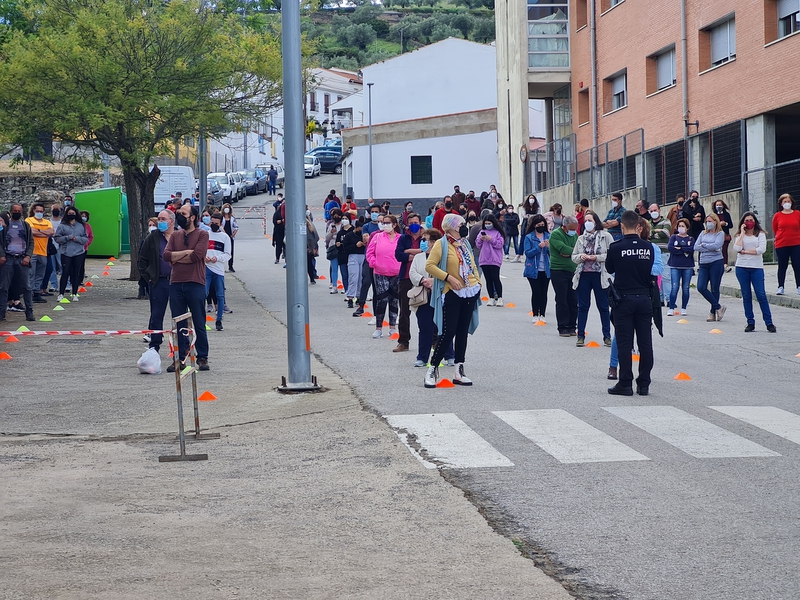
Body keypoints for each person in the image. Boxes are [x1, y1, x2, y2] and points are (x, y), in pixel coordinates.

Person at [424, 214, 481, 388]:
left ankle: (459, 370)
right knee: (449, 332)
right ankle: (432, 369)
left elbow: (472, 265)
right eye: (461, 224)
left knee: (463, 331)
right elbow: (430, 265)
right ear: (452, 227)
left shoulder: (465, 243)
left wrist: (477, 282)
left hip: (469, 290)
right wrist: (448, 278)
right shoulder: (441, 244)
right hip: (452, 292)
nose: (464, 227)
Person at [606, 210, 654, 396]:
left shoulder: (616, 247)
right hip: (644, 298)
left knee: (625, 343)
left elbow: (610, 268)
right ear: (638, 226)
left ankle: (625, 383)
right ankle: (644, 384)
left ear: (622, 226)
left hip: (624, 299)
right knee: (645, 343)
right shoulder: (647, 247)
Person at [164, 204, 211, 371]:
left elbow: (197, 256)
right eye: (178, 213)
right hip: (176, 284)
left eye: (183, 213)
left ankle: (202, 357)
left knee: (199, 321)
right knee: (179, 323)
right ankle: (180, 357)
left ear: (192, 217)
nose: (179, 215)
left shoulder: (202, 234)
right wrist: (185, 253)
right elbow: (166, 256)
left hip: (195, 283)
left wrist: (177, 258)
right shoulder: (175, 235)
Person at [572, 211, 613, 347]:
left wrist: (597, 257)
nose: (587, 223)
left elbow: (611, 254)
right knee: (583, 306)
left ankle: (607, 336)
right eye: (585, 220)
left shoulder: (605, 236)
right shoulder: (580, 238)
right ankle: (580, 336)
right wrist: (581, 257)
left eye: (590, 220)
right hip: (583, 275)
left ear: (596, 222)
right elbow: (574, 256)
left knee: (603, 306)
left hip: (599, 274)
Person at [138, 210, 175, 355]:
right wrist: (149, 277)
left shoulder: (179, 236)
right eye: (159, 219)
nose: (160, 222)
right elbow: (142, 260)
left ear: (171, 221)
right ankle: (154, 346)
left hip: (177, 283)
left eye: (163, 219)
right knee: (156, 315)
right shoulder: (152, 238)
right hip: (158, 282)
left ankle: (182, 345)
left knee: (179, 315)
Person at [734, 212, 775, 333]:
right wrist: (742, 233)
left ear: (755, 221)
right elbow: (736, 248)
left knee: (761, 295)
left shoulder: (760, 234)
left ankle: (769, 322)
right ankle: (750, 322)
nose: (749, 222)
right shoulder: (739, 235)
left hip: (756, 267)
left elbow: (761, 250)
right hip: (742, 267)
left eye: (751, 220)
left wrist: (745, 251)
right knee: (746, 296)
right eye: (746, 220)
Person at [409, 228, 443, 367]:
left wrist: (434, 282)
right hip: (423, 295)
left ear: (434, 242)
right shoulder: (419, 257)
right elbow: (412, 273)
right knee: (425, 327)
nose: (423, 242)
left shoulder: (443, 256)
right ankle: (422, 357)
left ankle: (449, 355)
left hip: (439, 295)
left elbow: (446, 273)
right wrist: (424, 280)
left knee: (442, 327)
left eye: (425, 240)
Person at [366, 214, 401, 339]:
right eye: (383, 222)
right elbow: (369, 253)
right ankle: (379, 328)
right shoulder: (377, 237)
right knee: (382, 299)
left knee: (394, 300)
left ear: (394, 225)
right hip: (380, 272)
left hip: (396, 273)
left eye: (387, 223)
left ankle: (392, 327)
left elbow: (403, 253)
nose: (385, 225)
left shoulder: (400, 238)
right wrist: (374, 262)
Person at [0, 203, 35, 322]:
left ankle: (29, 312)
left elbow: (31, 242)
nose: (17, 212)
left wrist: (28, 256)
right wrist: (2, 255)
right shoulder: (4, 226)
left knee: (26, 287)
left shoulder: (25, 225)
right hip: (8, 258)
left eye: (19, 211)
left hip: (22, 259)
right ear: (11, 212)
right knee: (4, 287)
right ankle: (1, 313)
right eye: (15, 210)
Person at [394, 213, 423, 352]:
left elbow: (428, 252)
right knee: (404, 311)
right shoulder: (403, 238)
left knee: (426, 311)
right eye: (410, 222)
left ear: (420, 222)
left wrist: (411, 252)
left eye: (416, 222)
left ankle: (433, 340)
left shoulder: (426, 237)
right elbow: (399, 255)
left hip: (423, 278)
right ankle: (403, 342)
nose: (413, 224)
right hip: (406, 278)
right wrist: (416, 255)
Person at [550, 215, 579, 337]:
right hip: (558, 270)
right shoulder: (556, 234)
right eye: (571, 229)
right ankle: (562, 327)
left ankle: (572, 326)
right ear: (564, 227)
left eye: (575, 229)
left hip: (572, 271)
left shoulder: (575, 235)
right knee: (562, 299)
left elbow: (577, 249)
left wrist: (570, 251)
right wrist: (572, 251)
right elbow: (562, 249)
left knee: (573, 300)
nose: (574, 231)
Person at [694, 213, 726, 323]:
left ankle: (712, 312)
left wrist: (704, 245)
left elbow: (717, 246)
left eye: (710, 221)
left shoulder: (720, 233)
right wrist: (709, 247)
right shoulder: (703, 233)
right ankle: (718, 307)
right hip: (703, 263)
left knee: (714, 288)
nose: (708, 223)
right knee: (701, 287)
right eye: (707, 221)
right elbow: (696, 246)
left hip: (716, 262)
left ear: (715, 222)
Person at [54, 206, 88, 302]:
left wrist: (76, 239)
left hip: (78, 252)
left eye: (73, 214)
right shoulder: (62, 226)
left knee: (76, 273)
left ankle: (74, 293)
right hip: (66, 252)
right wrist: (67, 238)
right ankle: (61, 294)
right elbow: (57, 238)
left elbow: (86, 239)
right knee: (65, 272)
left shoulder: (81, 225)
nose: (71, 215)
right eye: (69, 214)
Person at [205, 213, 232, 331]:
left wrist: (217, 258)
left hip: (218, 269)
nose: (214, 225)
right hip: (206, 267)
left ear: (221, 224)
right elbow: (199, 250)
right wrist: (204, 257)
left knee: (220, 295)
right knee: (203, 293)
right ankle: (201, 318)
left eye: (216, 224)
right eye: (212, 223)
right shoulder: (205, 235)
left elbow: (227, 255)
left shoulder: (225, 237)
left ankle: (219, 319)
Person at [522, 214, 550, 323]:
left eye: (543, 225)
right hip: (533, 269)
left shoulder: (548, 236)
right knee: (536, 291)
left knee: (544, 292)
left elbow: (553, 253)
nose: (541, 227)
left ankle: (542, 314)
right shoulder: (529, 237)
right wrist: (539, 247)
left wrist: (548, 248)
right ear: (534, 225)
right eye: (539, 225)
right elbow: (528, 253)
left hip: (546, 269)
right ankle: (535, 313)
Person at [772, 193, 800, 296]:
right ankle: (781, 286)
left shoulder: (797, 214)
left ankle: (799, 286)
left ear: (792, 203)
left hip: (796, 243)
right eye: (785, 202)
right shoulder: (777, 215)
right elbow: (775, 229)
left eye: (788, 201)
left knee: (797, 265)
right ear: (781, 203)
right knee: (782, 266)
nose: (787, 203)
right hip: (782, 244)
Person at [25, 202, 53, 303]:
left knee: (40, 274)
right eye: (37, 211)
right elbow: (31, 231)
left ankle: (37, 293)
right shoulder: (28, 220)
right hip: (32, 251)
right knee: (31, 274)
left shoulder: (47, 221)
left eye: (41, 211)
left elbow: (51, 232)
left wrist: (38, 231)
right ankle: (30, 293)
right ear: (33, 211)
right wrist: (44, 232)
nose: (39, 213)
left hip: (43, 252)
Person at [666, 218, 695, 316]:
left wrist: (681, 248)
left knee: (686, 288)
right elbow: (670, 248)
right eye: (679, 226)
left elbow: (691, 249)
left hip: (687, 266)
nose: (681, 228)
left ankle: (684, 308)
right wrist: (683, 251)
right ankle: (671, 307)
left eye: (683, 226)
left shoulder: (691, 239)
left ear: (687, 228)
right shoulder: (674, 237)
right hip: (675, 265)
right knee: (674, 287)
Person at [476, 212, 505, 306]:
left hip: (494, 259)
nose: (487, 225)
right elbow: (478, 245)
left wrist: (491, 239)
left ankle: (500, 298)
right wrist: (481, 239)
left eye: (489, 223)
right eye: (486, 223)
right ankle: (491, 297)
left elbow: (500, 244)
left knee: (495, 278)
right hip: (484, 259)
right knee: (488, 279)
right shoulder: (481, 232)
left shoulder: (497, 233)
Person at [337, 214, 362, 308]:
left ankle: (359, 297)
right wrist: (356, 245)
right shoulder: (349, 236)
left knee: (360, 279)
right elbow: (346, 248)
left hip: (362, 256)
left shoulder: (364, 235)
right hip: (353, 257)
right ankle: (350, 297)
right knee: (353, 278)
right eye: (359, 229)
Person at [649, 203, 672, 304]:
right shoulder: (648, 223)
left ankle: (669, 299)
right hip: (652, 253)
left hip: (664, 252)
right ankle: (660, 299)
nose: (654, 212)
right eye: (652, 211)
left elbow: (665, 233)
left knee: (666, 276)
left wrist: (653, 233)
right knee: (656, 277)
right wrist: (657, 232)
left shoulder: (666, 221)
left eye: (655, 210)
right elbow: (647, 234)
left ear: (659, 210)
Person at [325, 209, 345, 294]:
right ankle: (334, 286)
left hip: (342, 248)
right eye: (334, 216)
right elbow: (327, 238)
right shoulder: (331, 225)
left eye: (338, 215)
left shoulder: (344, 225)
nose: (336, 217)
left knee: (344, 269)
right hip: (333, 248)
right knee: (334, 268)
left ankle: (345, 286)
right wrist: (331, 233)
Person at [712, 199, 734, 272]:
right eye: (717, 205)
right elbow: (710, 225)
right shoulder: (713, 215)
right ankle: (717, 265)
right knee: (717, 250)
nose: (719, 206)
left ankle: (725, 264)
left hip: (725, 235)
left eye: (720, 205)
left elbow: (731, 225)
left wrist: (725, 224)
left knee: (724, 250)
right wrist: (719, 224)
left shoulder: (726, 214)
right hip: (716, 235)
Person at [46, 204, 62, 293]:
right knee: (52, 267)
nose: (55, 210)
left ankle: (66, 285)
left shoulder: (63, 221)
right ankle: (53, 285)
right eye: (53, 209)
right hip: (51, 246)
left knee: (62, 265)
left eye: (57, 209)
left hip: (61, 246)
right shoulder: (48, 221)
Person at [220, 203, 238, 274]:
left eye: (228, 207)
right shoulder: (221, 217)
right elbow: (220, 225)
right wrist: (223, 232)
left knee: (231, 252)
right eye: (225, 207)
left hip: (230, 237)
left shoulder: (232, 218)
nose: (227, 209)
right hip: (223, 236)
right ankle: (221, 266)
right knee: (221, 251)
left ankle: (231, 266)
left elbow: (236, 226)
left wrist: (234, 233)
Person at [78, 210, 93, 286]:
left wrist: (87, 243)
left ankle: (80, 280)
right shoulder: (76, 225)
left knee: (81, 264)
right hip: (76, 247)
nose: (83, 218)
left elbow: (90, 236)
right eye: (82, 216)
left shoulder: (88, 226)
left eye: (85, 216)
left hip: (84, 248)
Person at [306, 217, 319, 284]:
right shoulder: (310, 225)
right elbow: (316, 237)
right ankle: (312, 278)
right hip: (309, 249)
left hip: (306, 248)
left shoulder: (305, 225)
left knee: (306, 264)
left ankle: (310, 278)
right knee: (309, 264)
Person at [272, 197, 286, 264]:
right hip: (278, 231)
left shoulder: (288, 212)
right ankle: (277, 258)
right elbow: (274, 221)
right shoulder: (277, 213)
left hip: (286, 231)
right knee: (278, 246)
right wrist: (280, 221)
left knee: (286, 246)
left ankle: (286, 258)